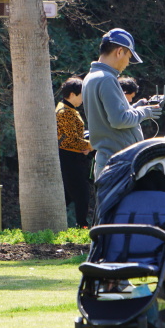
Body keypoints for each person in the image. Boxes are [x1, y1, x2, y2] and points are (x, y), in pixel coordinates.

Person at [81, 28, 162, 179]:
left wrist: (134, 108)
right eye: (129, 56)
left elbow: (109, 117)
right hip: (118, 165)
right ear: (119, 52)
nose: (128, 63)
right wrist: (146, 112)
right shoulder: (107, 79)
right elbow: (119, 120)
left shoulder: (92, 76)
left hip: (109, 163)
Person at [56, 76, 93, 227]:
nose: (83, 99)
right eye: (81, 95)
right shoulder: (66, 112)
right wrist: (91, 145)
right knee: (82, 194)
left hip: (72, 156)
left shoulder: (68, 109)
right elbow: (70, 141)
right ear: (72, 94)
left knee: (70, 195)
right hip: (69, 158)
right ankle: (82, 226)